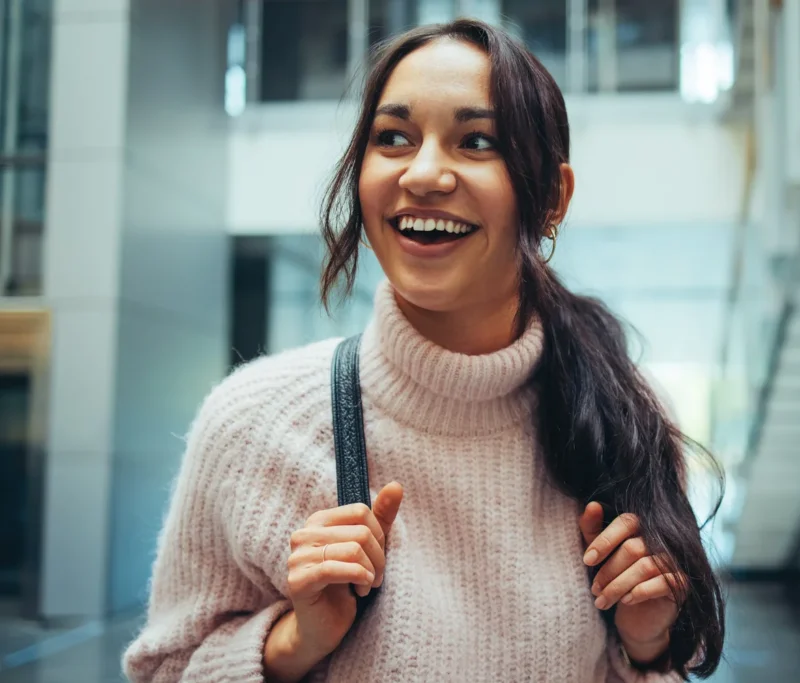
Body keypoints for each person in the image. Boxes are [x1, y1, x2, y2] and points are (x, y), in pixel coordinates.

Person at [122, 18, 724, 683]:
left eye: (475, 141)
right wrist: (292, 642)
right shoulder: (253, 424)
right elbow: (163, 671)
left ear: (551, 197)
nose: (426, 173)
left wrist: (646, 647)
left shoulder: (624, 419)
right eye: (393, 139)